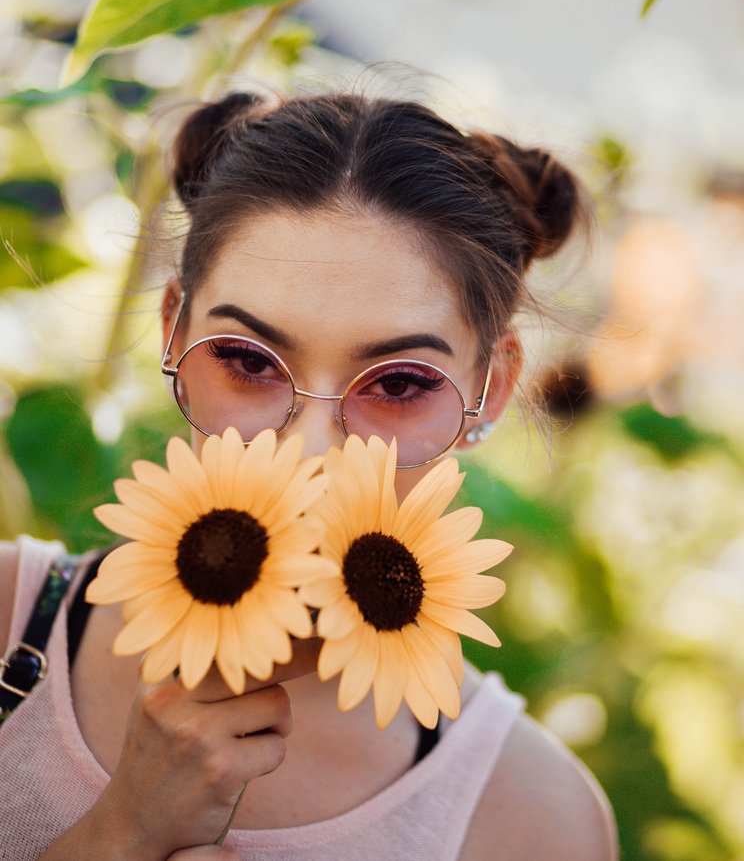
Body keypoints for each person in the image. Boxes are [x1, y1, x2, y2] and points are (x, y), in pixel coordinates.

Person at [0, 91, 618, 860]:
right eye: (249, 362)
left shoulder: (530, 819)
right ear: (172, 332)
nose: (309, 453)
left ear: (488, 390)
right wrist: (120, 834)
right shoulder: (5, 622)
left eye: (396, 385)